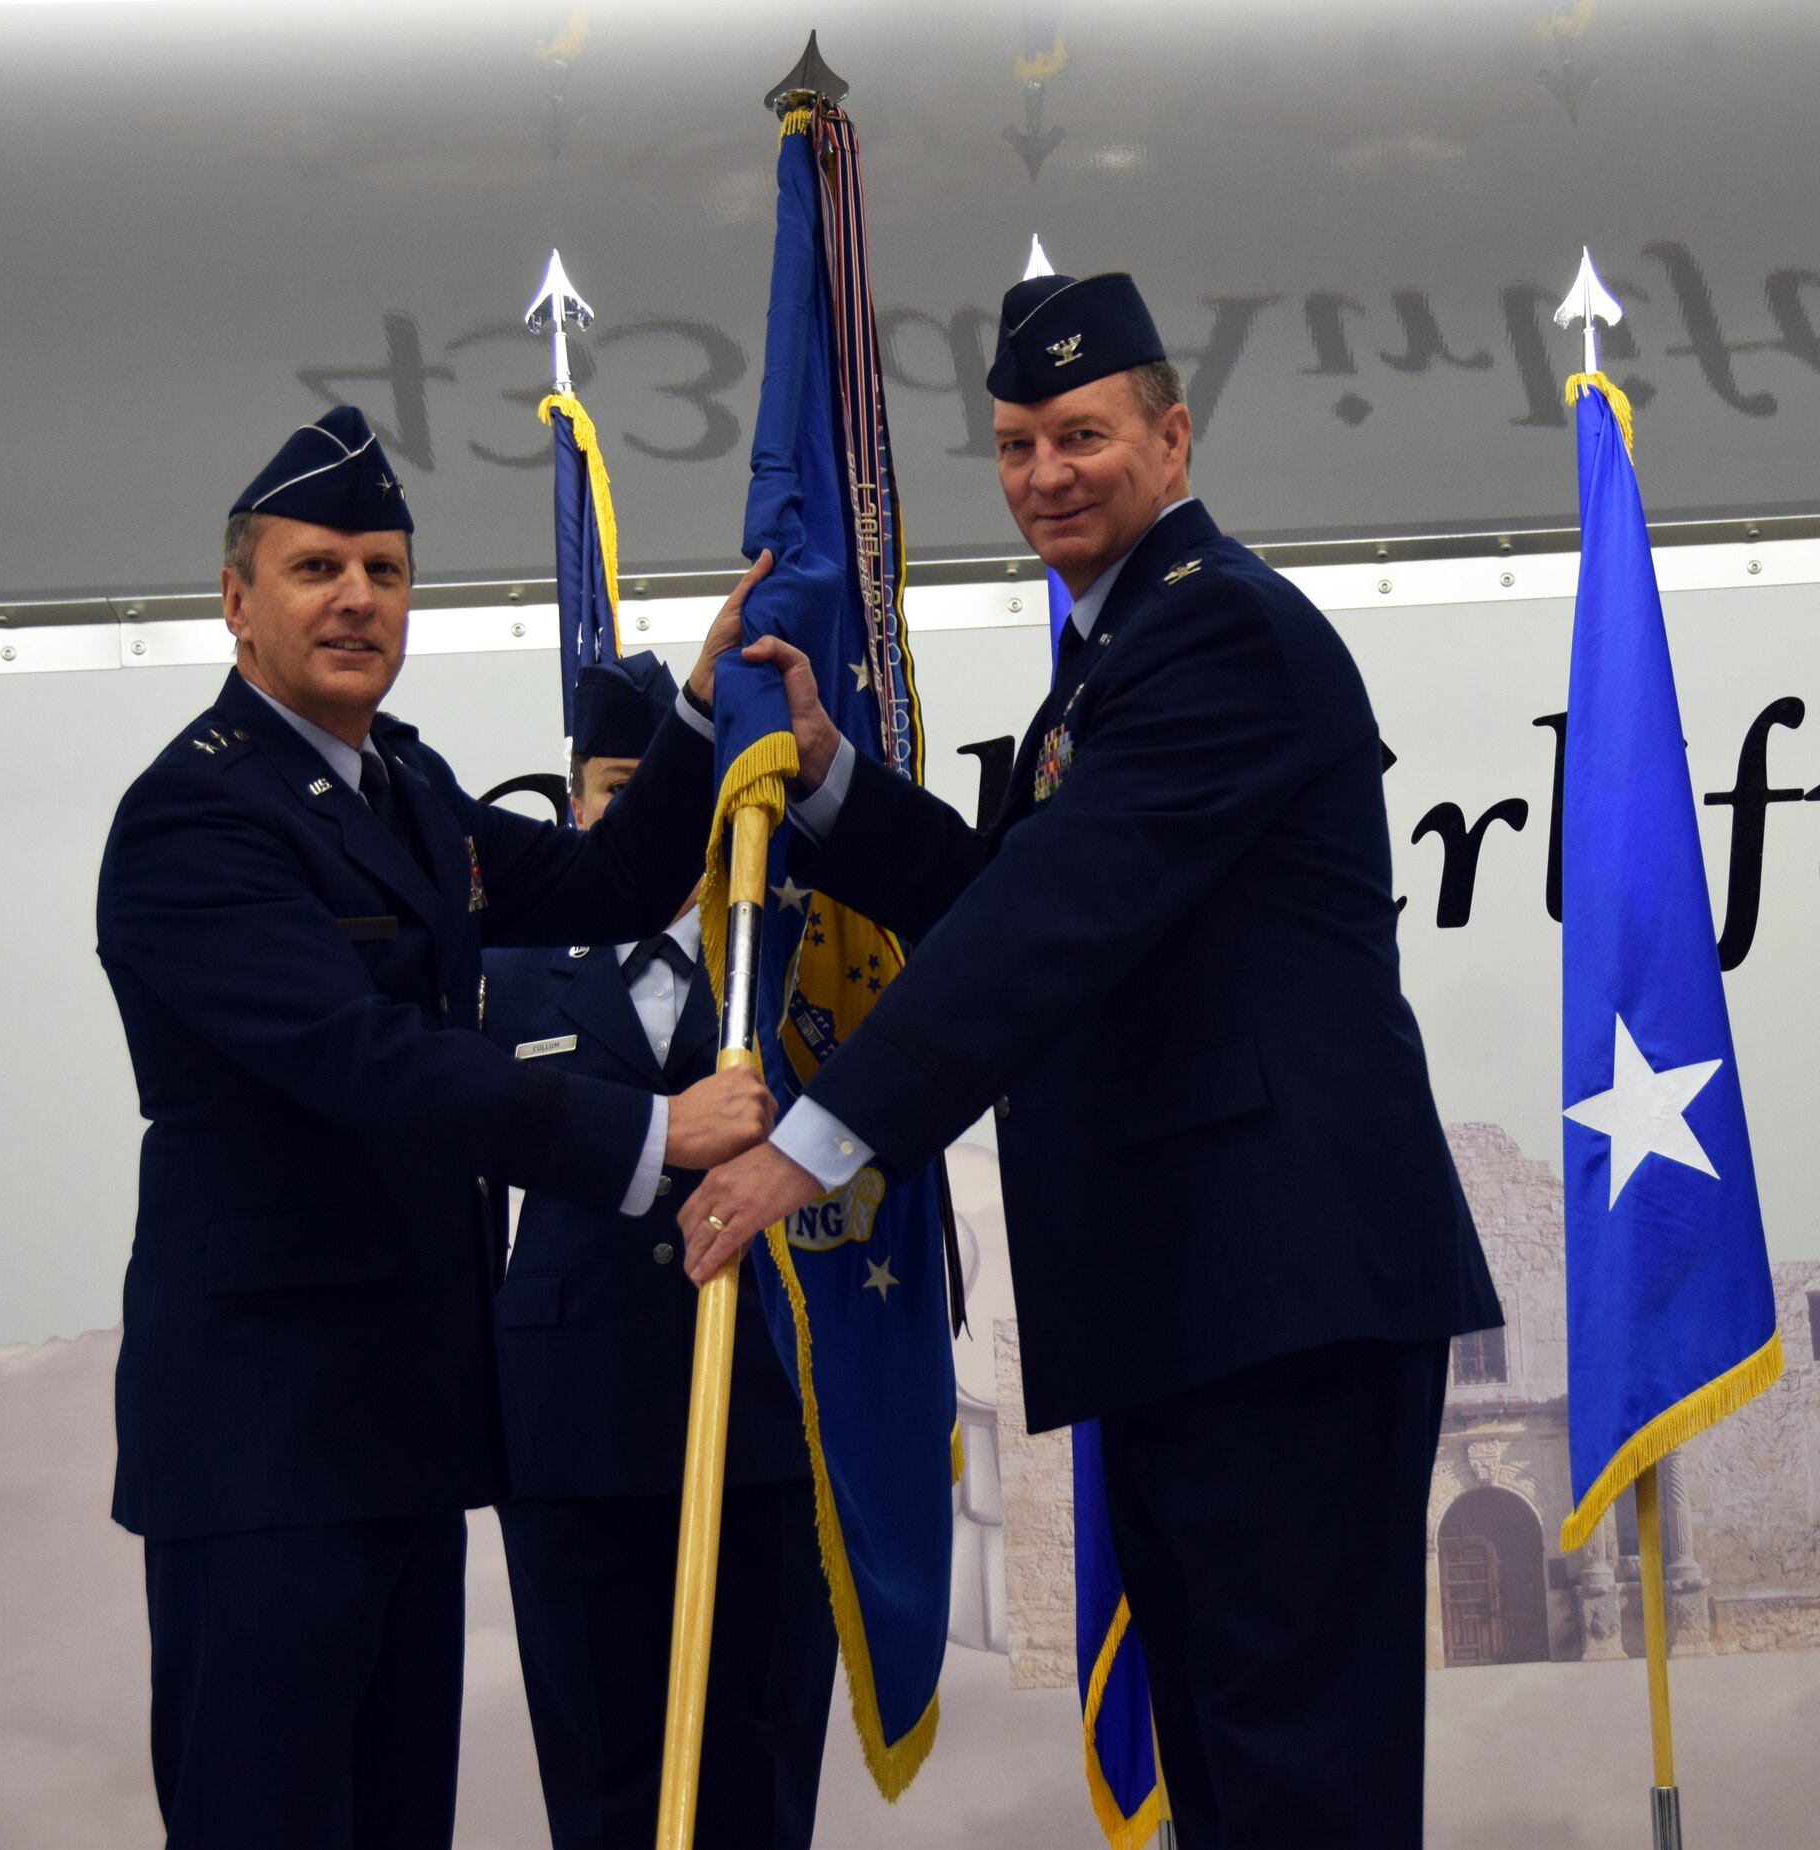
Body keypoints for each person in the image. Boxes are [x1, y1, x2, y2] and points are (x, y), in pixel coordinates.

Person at [680, 272, 1504, 1849]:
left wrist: (820, 1137)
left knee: (1290, 1772)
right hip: (1211, 1299)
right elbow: (1025, 892)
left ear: (1173, 435)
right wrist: (837, 776)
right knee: (1235, 1765)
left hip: (1281, 1302)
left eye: (1083, 433)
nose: (1047, 471)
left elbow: (1061, 912)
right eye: (1014, 444)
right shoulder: (1129, 645)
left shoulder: (1220, 634)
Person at [94, 404, 775, 1850]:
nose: (357, 598)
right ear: (236, 599)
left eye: (386, 570)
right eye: (317, 566)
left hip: (402, 1427)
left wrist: (705, 711)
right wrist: (653, 1139)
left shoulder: (402, 786)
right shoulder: (193, 821)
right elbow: (368, 1063)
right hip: (264, 1445)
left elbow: (607, 885)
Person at [479, 650, 834, 1850]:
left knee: (760, 1777)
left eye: (671, 788)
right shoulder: (497, 973)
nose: (639, 819)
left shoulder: (803, 962)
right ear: (573, 799)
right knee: (600, 1782)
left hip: (771, 1419)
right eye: (613, 788)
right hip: (571, 1424)